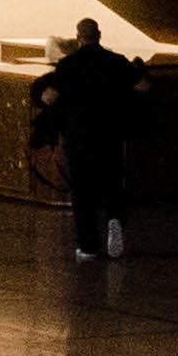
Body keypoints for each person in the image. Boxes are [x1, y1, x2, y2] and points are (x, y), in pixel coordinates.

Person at [36, 20, 141, 269]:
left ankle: (88, 246)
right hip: (110, 133)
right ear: (99, 35)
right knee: (112, 182)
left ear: (78, 37)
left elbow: (51, 95)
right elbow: (142, 85)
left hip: (79, 136)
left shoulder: (68, 64)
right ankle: (114, 218)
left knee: (83, 191)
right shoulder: (116, 61)